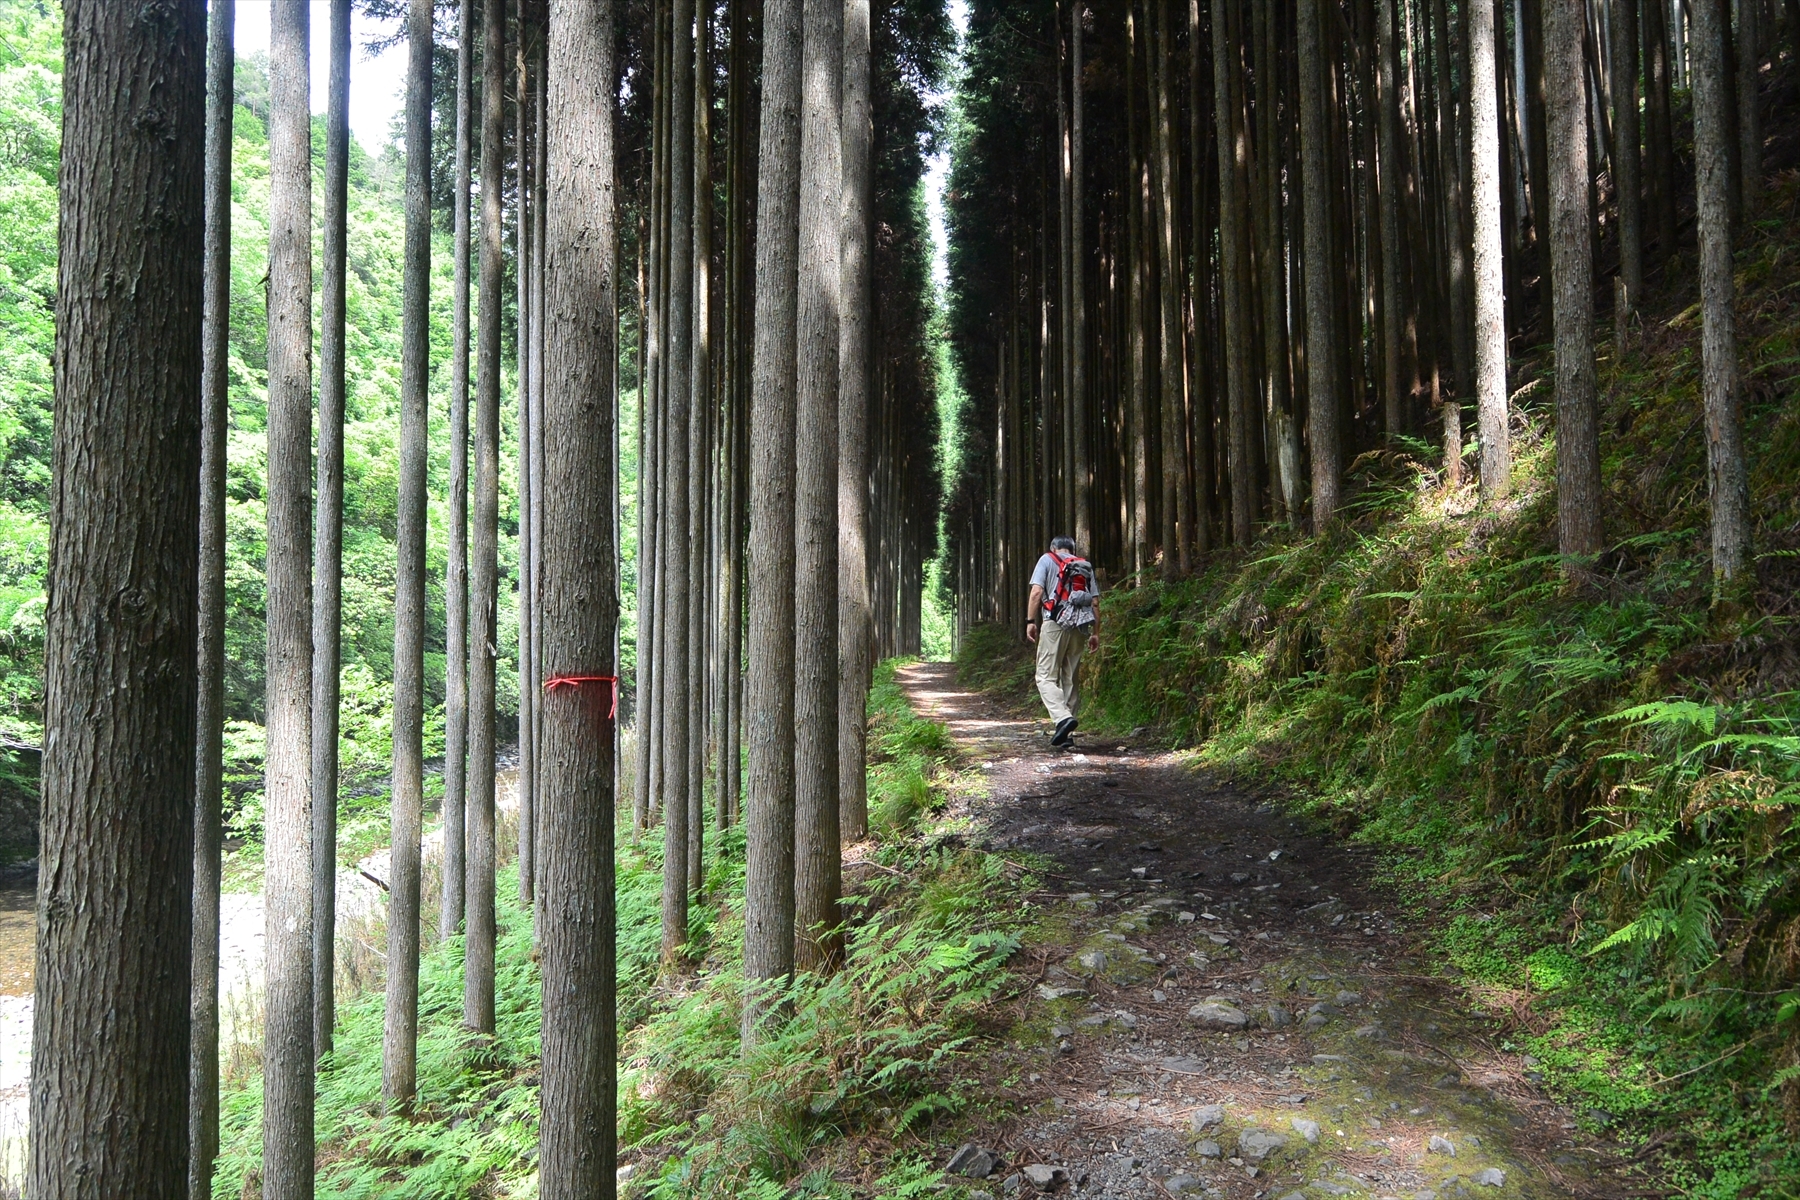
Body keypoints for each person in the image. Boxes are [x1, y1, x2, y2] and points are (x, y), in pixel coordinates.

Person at [1026, 536, 1101, 747]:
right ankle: (1066, 736)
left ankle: (1062, 719)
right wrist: (1096, 633)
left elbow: (1037, 592)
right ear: (1072, 549)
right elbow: (1094, 602)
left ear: (1053, 547)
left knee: (1045, 677)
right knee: (1070, 679)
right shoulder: (1084, 566)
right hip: (1080, 628)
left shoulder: (1047, 559)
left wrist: (1031, 620)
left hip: (1054, 624)